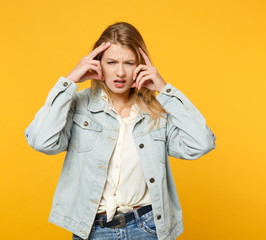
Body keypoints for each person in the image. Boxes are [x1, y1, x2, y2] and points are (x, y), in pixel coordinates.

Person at [24, 21, 216, 240]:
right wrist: (69, 81)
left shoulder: (157, 113)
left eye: (129, 62)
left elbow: (201, 143)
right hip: (92, 230)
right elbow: (41, 141)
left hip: (148, 228)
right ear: (98, 64)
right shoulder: (79, 106)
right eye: (112, 62)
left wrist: (164, 90)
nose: (120, 72)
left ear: (141, 66)